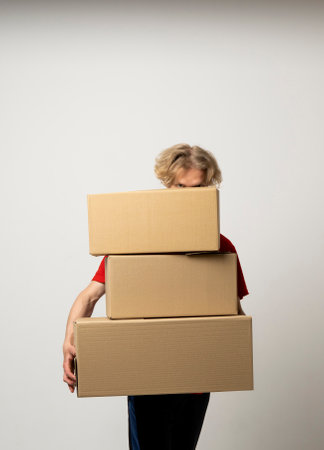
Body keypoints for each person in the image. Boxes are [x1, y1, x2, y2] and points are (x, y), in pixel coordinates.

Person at [63, 143, 249, 450]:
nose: (189, 195)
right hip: (147, 372)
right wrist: (69, 342)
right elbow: (89, 296)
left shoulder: (222, 246)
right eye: (180, 186)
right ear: (166, 183)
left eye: (198, 187)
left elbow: (234, 317)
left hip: (196, 377)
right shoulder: (138, 241)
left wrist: (231, 353)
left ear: (209, 187)